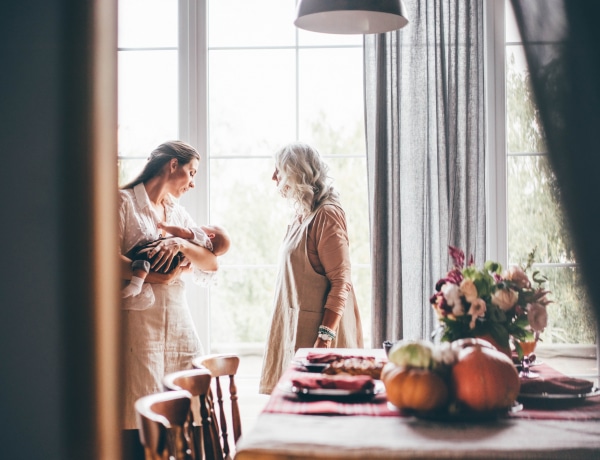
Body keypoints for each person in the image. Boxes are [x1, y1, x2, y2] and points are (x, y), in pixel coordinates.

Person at [118, 140, 219, 459]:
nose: (192, 183)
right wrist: (157, 276)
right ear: (172, 165)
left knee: (192, 396)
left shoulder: (177, 212)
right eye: (191, 172)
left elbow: (211, 262)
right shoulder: (123, 202)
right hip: (138, 324)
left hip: (177, 320)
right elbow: (102, 257)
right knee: (140, 400)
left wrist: (180, 244)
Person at [259, 142, 364, 394]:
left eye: (279, 170)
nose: (274, 177)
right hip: (296, 329)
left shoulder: (327, 214)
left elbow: (341, 281)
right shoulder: (301, 216)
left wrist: (325, 337)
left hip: (321, 336)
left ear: (297, 172)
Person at [121, 222, 231, 298]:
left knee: (144, 257)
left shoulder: (201, 236)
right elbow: (189, 268)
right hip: (171, 265)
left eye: (209, 225)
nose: (204, 225)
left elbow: (182, 231)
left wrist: (165, 227)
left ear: (210, 236)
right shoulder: (201, 250)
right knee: (145, 261)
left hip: (165, 256)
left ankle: (136, 284)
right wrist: (179, 270)